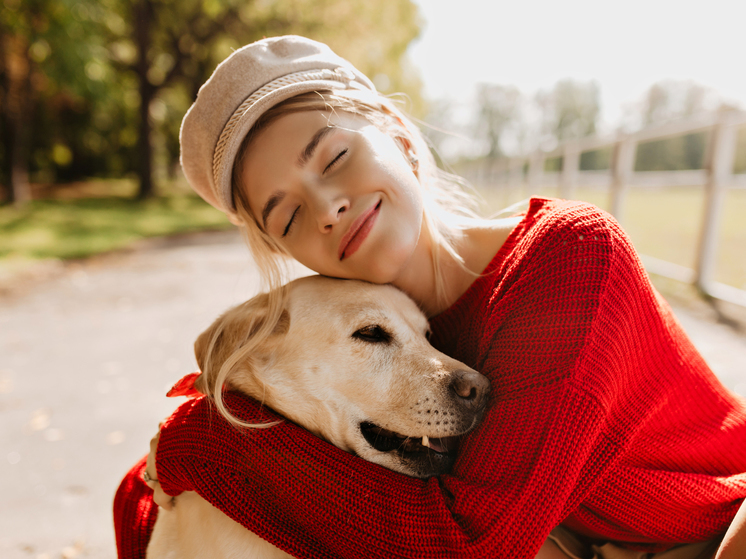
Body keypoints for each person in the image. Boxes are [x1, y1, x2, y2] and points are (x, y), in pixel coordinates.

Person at [113, 35, 746, 559]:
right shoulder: (350, 330)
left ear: (398, 132)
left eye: (333, 157)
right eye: (287, 217)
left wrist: (210, 444)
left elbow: (469, 545)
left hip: (705, 533)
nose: (327, 207)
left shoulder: (569, 258)